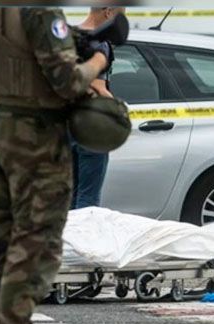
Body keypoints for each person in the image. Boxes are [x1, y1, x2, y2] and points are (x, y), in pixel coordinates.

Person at [0, 8, 108, 324]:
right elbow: (68, 82)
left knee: (5, 241)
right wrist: (98, 59)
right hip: (34, 132)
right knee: (36, 242)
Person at [71, 6, 125, 209]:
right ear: (109, 12)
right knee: (88, 199)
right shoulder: (100, 43)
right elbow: (98, 87)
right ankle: (84, 240)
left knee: (71, 195)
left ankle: (69, 239)